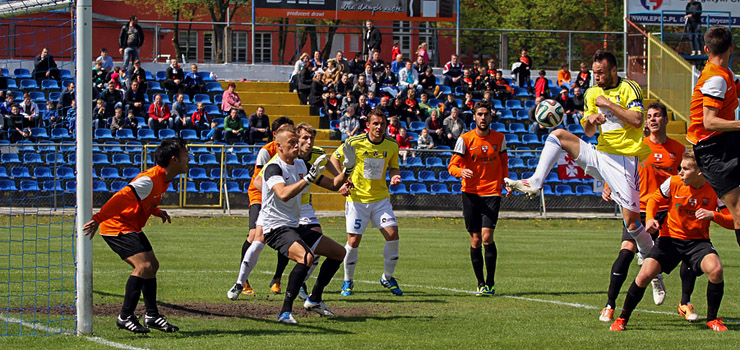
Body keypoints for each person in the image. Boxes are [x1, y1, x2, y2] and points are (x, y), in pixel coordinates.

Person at [505, 50, 656, 270]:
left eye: (602, 73)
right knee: (557, 136)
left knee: (632, 223)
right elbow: (587, 130)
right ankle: (536, 181)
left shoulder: (629, 88)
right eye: (595, 73)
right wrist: (592, 119)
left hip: (624, 161)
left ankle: (651, 262)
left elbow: (637, 119)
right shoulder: (592, 92)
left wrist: (609, 105)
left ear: (614, 70)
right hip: (600, 154)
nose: (597, 77)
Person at [228, 124, 352, 324]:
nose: (297, 146)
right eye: (292, 143)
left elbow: (333, 185)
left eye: (297, 142)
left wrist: (348, 170)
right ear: (279, 147)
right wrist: (309, 178)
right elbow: (283, 194)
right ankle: (285, 312)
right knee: (306, 258)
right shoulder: (273, 167)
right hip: (275, 227)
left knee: (339, 253)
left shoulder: (301, 165)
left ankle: (315, 299)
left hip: (294, 224)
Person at [610, 150, 734, 332]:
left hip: (698, 242)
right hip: (669, 240)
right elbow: (654, 199)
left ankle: (712, 319)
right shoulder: (674, 182)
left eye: (685, 169)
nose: (680, 173)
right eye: (680, 168)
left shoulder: (716, 188)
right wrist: (651, 218)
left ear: (700, 171)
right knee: (644, 275)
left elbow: (733, 221)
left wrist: (713, 215)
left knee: (716, 270)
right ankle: (622, 318)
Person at [82, 138, 187, 334]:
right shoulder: (149, 179)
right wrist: (98, 218)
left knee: (152, 266)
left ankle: (152, 315)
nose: (189, 158)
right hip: (116, 226)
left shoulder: (164, 179)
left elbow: (145, 201)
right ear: (174, 159)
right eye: (186, 154)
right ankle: (125, 316)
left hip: (131, 226)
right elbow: (121, 197)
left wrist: (157, 211)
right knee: (143, 266)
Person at [598, 101, 685, 323]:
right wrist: (609, 186)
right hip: (638, 210)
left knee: (687, 251)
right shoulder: (637, 146)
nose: (653, 119)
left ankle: (684, 301)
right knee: (625, 252)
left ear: (666, 120)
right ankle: (609, 304)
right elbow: (621, 171)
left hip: (666, 213)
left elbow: (685, 179)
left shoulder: (679, 150)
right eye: (650, 116)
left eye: (657, 116)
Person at [329, 109, 403, 297]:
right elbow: (334, 158)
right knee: (353, 241)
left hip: (380, 199)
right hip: (357, 200)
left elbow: (394, 167)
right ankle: (347, 280)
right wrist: (343, 181)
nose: (379, 127)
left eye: (383, 124)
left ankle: (387, 277)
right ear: (368, 125)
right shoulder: (354, 142)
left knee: (393, 234)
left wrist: (395, 177)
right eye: (375, 123)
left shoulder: (392, 145)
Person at [686, 26, 740, 250]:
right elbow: (709, 122)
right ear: (732, 47)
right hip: (713, 150)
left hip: (725, 141)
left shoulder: (724, 73)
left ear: (706, 49)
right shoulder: (715, 79)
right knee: (737, 211)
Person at [447, 101, 507, 295]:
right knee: (475, 240)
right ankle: (480, 283)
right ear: (474, 117)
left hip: (492, 193)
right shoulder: (465, 139)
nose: (483, 118)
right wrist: (461, 171)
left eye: (486, 114)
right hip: (471, 194)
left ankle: (490, 283)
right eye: (479, 114)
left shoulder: (500, 138)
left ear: (491, 117)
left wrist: (506, 182)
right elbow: (452, 166)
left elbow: (504, 163)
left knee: (487, 236)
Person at [239, 117, 294, 295]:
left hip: (280, 198)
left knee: (288, 234)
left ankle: (277, 278)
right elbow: (258, 182)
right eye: (283, 130)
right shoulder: (266, 151)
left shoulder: (293, 152)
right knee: (254, 234)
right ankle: (243, 280)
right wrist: (277, 194)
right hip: (260, 196)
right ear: (275, 134)